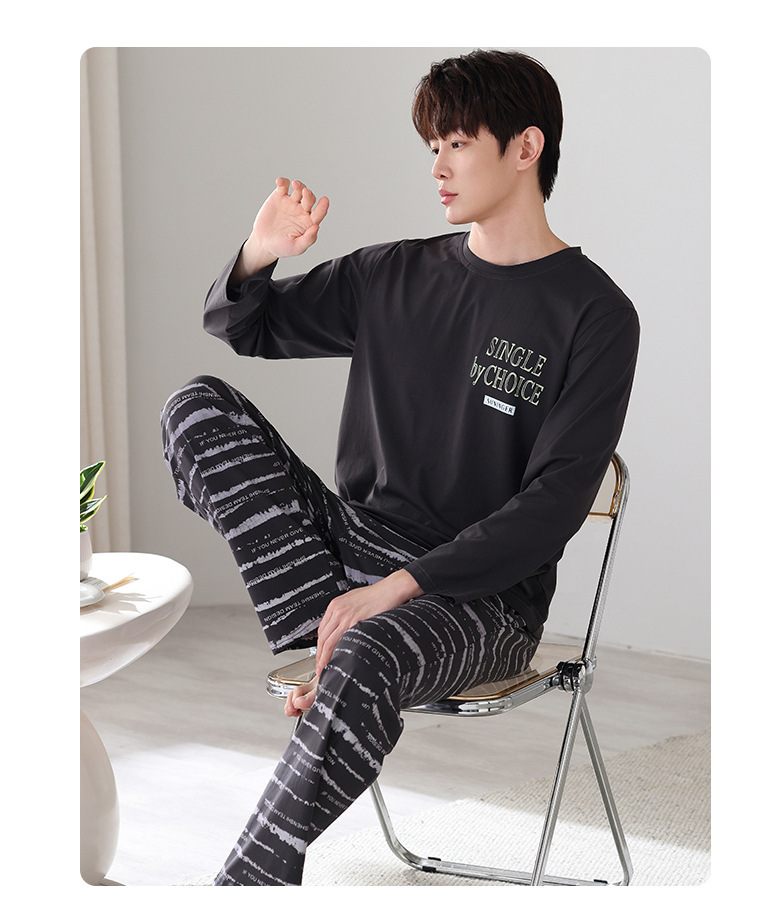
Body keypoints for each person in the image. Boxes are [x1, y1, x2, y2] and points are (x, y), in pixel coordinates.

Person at [161, 49, 639, 886]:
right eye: (432, 146)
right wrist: (259, 251)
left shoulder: (595, 314)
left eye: (458, 144)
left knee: (373, 646)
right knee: (196, 409)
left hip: (478, 601)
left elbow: (557, 503)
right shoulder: (392, 274)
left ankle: (246, 884)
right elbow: (244, 326)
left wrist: (402, 586)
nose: (438, 166)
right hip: (351, 555)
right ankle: (324, 647)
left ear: (526, 149)